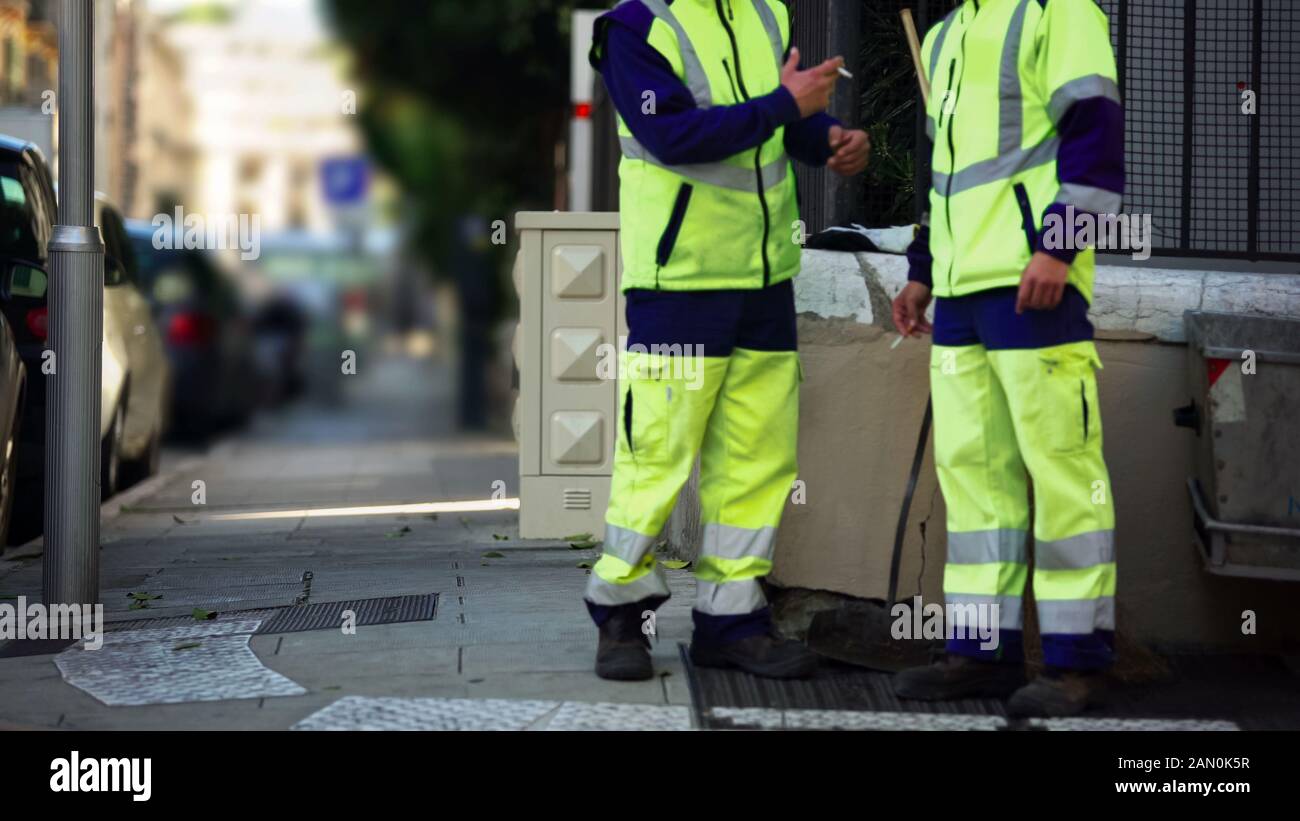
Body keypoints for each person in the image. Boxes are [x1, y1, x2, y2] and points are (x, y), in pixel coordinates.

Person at [585, 0, 870, 681]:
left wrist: (828, 136)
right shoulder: (634, 26)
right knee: (657, 453)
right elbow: (674, 135)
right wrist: (786, 105)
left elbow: (779, 123)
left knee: (756, 459)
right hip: (679, 281)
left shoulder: (765, 12)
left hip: (765, 279)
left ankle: (731, 620)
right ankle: (622, 614)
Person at [890, 0, 1125, 717]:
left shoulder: (1062, 12)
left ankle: (1077, 663)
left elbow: (1098, 134)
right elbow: (946, 172)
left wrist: (1061, 243)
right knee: (974, 479)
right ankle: (979, 652)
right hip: (961, 293)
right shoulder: (945, 35)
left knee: (1062, 473)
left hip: (1033, 280)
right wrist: (923, 269)